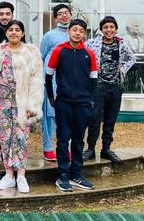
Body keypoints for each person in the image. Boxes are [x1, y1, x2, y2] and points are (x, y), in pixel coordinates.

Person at [0, 20, 44, 193]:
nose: (14, 33)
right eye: (10, 29)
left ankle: (21, 175)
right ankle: (9, 175)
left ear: (23, 33)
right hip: (2, 100)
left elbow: (37, 80)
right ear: (6, 33)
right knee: (5, 138)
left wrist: (33, 104)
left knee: (20, 137)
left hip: (22, 101)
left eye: (17, 30)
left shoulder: (31, 52)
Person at [46, 19, 98, 192]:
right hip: (64, 102)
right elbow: (48, 76)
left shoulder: (89, 53)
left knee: (78, 140)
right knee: (63, 139)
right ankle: (63, 175)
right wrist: (52, 98)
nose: (77, 33)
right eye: (74, 29)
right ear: (69, 31)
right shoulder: (59, 50)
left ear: (84, 34)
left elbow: (94, 80)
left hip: (83, 103)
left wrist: (91, 101)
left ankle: (76, 174)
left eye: (81, 31)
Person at [83, 16, 136, 163]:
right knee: (94, 118)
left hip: (115, 86)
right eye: (106, 27)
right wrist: (90, 71)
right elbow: (82, 56)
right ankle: (90, 149)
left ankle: (106, 148)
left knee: (110, 118)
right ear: (101, 30)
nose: (109, 30)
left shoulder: (122, 43)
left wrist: (122, 69)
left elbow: (132, 58)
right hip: (98, 85)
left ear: (116, 29)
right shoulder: (92, 43)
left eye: (112, 27)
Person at [39, 3, 72, 162]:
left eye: (66, 12)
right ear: (55, 18)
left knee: (68, 116)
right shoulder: (49, 36)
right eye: (60, 14)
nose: (64, 15)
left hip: (70, 83)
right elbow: (41, 57)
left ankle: (65, 148)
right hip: (52, 83)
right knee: (50, 116)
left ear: (70, 15)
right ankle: (48, 148)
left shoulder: (76, 34)